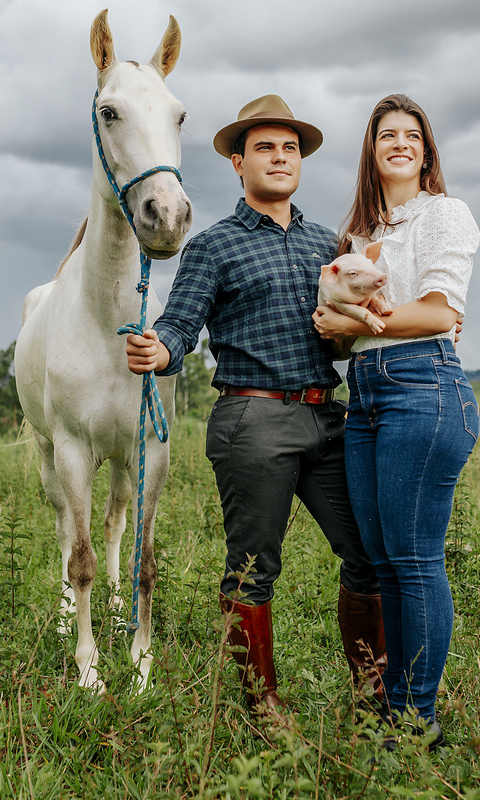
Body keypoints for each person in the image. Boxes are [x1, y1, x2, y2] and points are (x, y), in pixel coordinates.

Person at [125, 95, 386, 727]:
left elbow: (352, 335)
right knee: (252, 568)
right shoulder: (214, 246)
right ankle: (262, 705)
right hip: (254, 420)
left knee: (368, 554)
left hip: (328, 418)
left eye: (289, 148)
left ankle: (371, 693)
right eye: (264, 148)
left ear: (301, 163)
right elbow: (182, 324)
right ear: (238, 163)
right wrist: (160, 348)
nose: (279, 158)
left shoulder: (332, 243)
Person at [312, 94, 480, 749]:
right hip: (368, 396)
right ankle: (392, 707)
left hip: (424, 384)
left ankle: (416, 721)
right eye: (388, 135)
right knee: (383, 564)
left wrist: (351, 319)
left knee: (414, 562)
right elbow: (341, 338)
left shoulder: (445, 215)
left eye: (413, 135)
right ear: (373, 150)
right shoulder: (361, 236)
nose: (401, 144)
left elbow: (439, 314)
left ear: (426, 151)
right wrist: (336, 326)